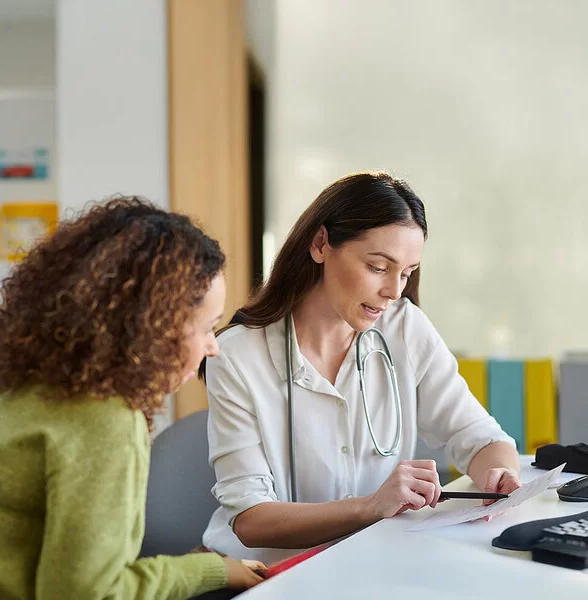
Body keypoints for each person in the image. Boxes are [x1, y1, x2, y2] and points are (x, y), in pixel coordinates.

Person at [201, 171, 521, 564]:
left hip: (366, 564)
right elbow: (250, 521)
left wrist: (500, 474)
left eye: (406, 273)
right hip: (263, 574)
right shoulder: (237, 355)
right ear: (320, 244)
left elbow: (481, 437)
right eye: (378, 267)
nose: (394, 291)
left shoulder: (405, 327)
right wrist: (372, 506)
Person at [0, 197, 265, 599]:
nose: (213, 347)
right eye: (207, 327)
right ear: (150, 327)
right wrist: (208, 570)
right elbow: (86, 594)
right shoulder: (106, 420)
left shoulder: (22, 389)